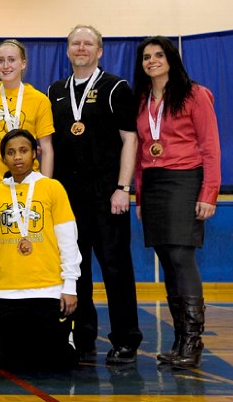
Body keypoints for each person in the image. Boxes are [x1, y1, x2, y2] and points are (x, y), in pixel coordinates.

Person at [48, 25, 143, 364]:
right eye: (76, 43)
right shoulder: (55, 90)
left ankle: (126, 339)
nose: (82, 48)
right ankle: (83, 337)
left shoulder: (116, 87)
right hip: (68, 193)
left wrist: (123, 187)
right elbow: (50, 146)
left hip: (107, 193)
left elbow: (130, 140)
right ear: (68, 50)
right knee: (78, 268)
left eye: (88, 43)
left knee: (116, 267)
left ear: (100, 50)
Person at [132, 36, 220, 369]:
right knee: (167, 261)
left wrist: (208, 192)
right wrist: (140, 196)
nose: (151, 60)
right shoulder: (142, 101)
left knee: (182, 257)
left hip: (185, 181)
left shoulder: (196, 95)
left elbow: (210, 146)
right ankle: (179, 340)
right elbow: (142, 152)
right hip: (153, 184)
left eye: (158, 55)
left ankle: (193, 343)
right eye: (145, 57)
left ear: (171, 58)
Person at [0, 129, 81, 370]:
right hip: (8, 294)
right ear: (3, 158)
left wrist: (69, 286)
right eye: (11, 152)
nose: (17, 157)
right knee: (14, 364)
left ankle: (67, 340)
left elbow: (68, 240)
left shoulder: (52, 188)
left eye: (23, 150)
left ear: (35, 154)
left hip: (48, 291)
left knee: (55, 364)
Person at [0, 39, 54, 186]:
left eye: (11, 60)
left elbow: (47, 148)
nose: (6, 66)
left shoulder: (39, 100)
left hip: (24, 184)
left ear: (23, 63)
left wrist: (45, 186)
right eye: (0, 60)